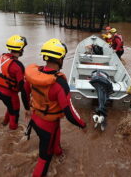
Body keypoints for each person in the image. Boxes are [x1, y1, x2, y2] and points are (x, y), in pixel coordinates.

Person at [24, 38, 87, 177]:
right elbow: (69, 112)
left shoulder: (34, 74)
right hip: (48, 126)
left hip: (35, 120)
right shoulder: (59, 84)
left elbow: (24, 91)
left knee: (54, 143)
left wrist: (26, 109)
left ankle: (59, 153)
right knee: (44, 159)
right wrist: (82, 125)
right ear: (60, 59)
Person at [0, 35, 29, 130]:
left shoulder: (2, 57)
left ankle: (4, 124)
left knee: (10, 107)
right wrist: (27, 108)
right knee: (15, 115)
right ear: (21, 49)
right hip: (10, 95)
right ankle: (11, 137)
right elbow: (23, 90)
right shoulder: (17, 66)